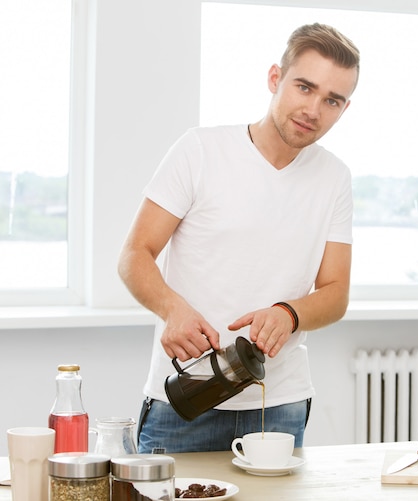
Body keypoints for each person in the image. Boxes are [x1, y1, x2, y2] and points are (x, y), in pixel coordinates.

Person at [118, 23, 360, 453]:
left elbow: (336, 293)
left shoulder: (335, 178)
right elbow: (135, 254)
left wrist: (288, 313)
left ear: (343, 108)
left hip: (278, 405)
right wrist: (172, 309)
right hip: (184, 396)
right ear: (275, 78)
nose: (314, 109)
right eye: (304, 87)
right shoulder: (199, 150)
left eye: (332, 100)